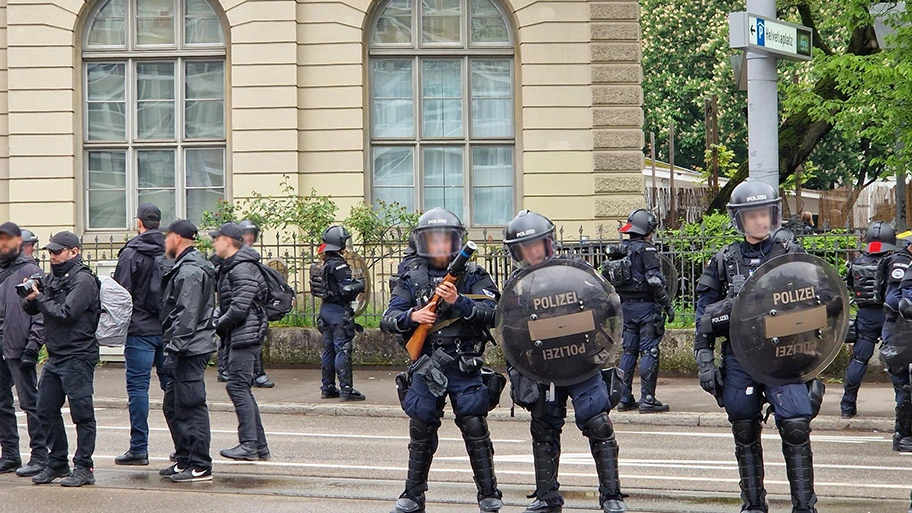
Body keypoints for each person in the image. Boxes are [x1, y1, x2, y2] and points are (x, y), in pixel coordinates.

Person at [694, 181, 819, 513]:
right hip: (741, 356)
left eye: (765, 214)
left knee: (795, 427)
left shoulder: (790, 254)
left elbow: (816, 301)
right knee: (744, 428)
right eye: (753, 216)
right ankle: (753, 505)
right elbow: (702, 312)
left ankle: (804, 506)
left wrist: (815, 364)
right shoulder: (724, 260)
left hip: (784, 356)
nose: (760, 221)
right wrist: (704, 357)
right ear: (741, 220)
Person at [503, 210, 627, 513]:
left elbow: (605, 305)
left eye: (537, 244)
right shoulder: (516, 285)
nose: (532, 251)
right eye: (525, 247)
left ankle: (611, 496)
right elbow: (508, 329)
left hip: (581, 360)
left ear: (549, 243)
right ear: (517, 252)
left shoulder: (575, 270)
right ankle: (547, 497)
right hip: (542, 366)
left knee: (598, 423)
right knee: (543, 428)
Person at [380, 208, 503, 513]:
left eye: (445, 240)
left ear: (454, 242)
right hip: (427, 365)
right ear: (423, 243)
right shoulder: (411, 276)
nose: (439, 246)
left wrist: (456, 301)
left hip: (464, 362)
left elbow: (495, 311)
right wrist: (413, 316)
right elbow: (388, 318)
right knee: (421, 428)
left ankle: (488, 492)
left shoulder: (472, 275)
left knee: (474, 425)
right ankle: (413, 493)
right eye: (432, 240)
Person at [23, 231, 100, 487]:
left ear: (74, 252)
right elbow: (36, 308)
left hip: (78, 355)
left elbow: (66, 312)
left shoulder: (84, 280)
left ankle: (84, 467)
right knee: (44, 409)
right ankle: (57, 463)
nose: (53, 256)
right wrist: (30, 297)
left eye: (57, 251)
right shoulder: (52, 278)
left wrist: (41, 298)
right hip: (56, 355)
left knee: (82, 414)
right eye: (50, 252)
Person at [158, 219, 218, 482]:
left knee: (191, 405)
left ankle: (200, 464)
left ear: (177, 238)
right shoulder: (185, 267)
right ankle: (184, 459)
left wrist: (174, 349)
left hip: (190, 348)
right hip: (186, 346)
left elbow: (187, 314)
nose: (164, 242)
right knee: (173, 405)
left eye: (167, 237)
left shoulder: (190, 271)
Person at [602, 209, 673, 414]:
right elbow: (654, 281)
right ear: (647, 229)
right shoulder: (647, 250)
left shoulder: (620, 249)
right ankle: (648, 399)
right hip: (646, 308)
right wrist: (667, 305)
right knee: (649, 350)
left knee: (629, 351)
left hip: (625, 308)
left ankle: (624, 397)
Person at [113, 203, 168, 466]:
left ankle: (139, 448)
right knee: (174, 389)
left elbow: (120, 294)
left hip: (140, 329)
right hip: (168, 329)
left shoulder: (131, 252)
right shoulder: (172, 250)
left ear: (139, 223)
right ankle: (184, 447)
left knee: (138, 389)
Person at [211, 222, 271, 462]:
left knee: (237, 387)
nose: (214, 243)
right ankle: (258, 446)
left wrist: (216, 324)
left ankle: (249, 444)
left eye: (217, 239)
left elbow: (239, 308)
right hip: (241, 334)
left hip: (245, 335)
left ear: (228, 241)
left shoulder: (241, 268)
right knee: (240, 387)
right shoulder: (232, 267)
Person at [0, 222, 46, 477]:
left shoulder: (31, 271)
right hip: (2, 340)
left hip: (19, 344)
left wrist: (33, 345)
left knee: (30, 402)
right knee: (1, 402)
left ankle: (40, 455)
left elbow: (40, 312)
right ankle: (9, 454)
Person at [841, 221, 895, 418]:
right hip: (890, 315)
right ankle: (902, 410)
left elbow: (848, 283)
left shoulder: (858, 261)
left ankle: (847, 406)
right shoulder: (894, 261)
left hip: (865, 315)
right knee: (898, 364)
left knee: (859, 360)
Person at [315, 225, 365, 401]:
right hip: (337, 311)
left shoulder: (324, 264)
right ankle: (346, 389)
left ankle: (327, 387)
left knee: (328, 349)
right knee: (342, 349)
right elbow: (346, 289)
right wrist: (359, 284)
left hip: (325, 310)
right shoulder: (338, 264)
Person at [883, 234, 912, 452]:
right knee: (904, 386)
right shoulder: (901, 263)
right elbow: (894, 301)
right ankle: (903, 435)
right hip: (899, 332)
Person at [239, 219, 274, 389]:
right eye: (246, 234)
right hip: (245, 304)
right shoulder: (241, 256)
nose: (250, 238)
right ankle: (257, 374)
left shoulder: (246, 255)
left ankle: (252, 374)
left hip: (249, 304)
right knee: (253, 339)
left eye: (252, 234)